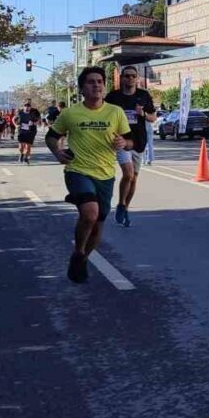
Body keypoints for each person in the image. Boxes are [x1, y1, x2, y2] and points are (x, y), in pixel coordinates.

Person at [46, 67, 131, 283]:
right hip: (78, 170)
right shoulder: (70, 113)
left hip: (105, 174)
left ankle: (82, 257)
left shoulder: (115, 112)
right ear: (82, 88)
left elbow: (131, 141)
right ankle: (79, 251)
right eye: (91, 82)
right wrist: (57, 152)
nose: (96, 85)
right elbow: (51, 136)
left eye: (100, 81)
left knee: (98, 226)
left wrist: (124, 142)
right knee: (90, 213)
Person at [104, 65, 158, 226]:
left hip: (139, 141)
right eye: (127, 76)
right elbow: (103, 115)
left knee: (134, 178)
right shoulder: (113, 97)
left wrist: (143, 114)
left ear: (137, 78)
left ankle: (125, 207)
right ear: (121, 78)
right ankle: (121, 203)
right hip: (121, 140)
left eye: (133, 76)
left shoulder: (143, 95)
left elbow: (153, 117)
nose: (130, 79)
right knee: (128, 174)